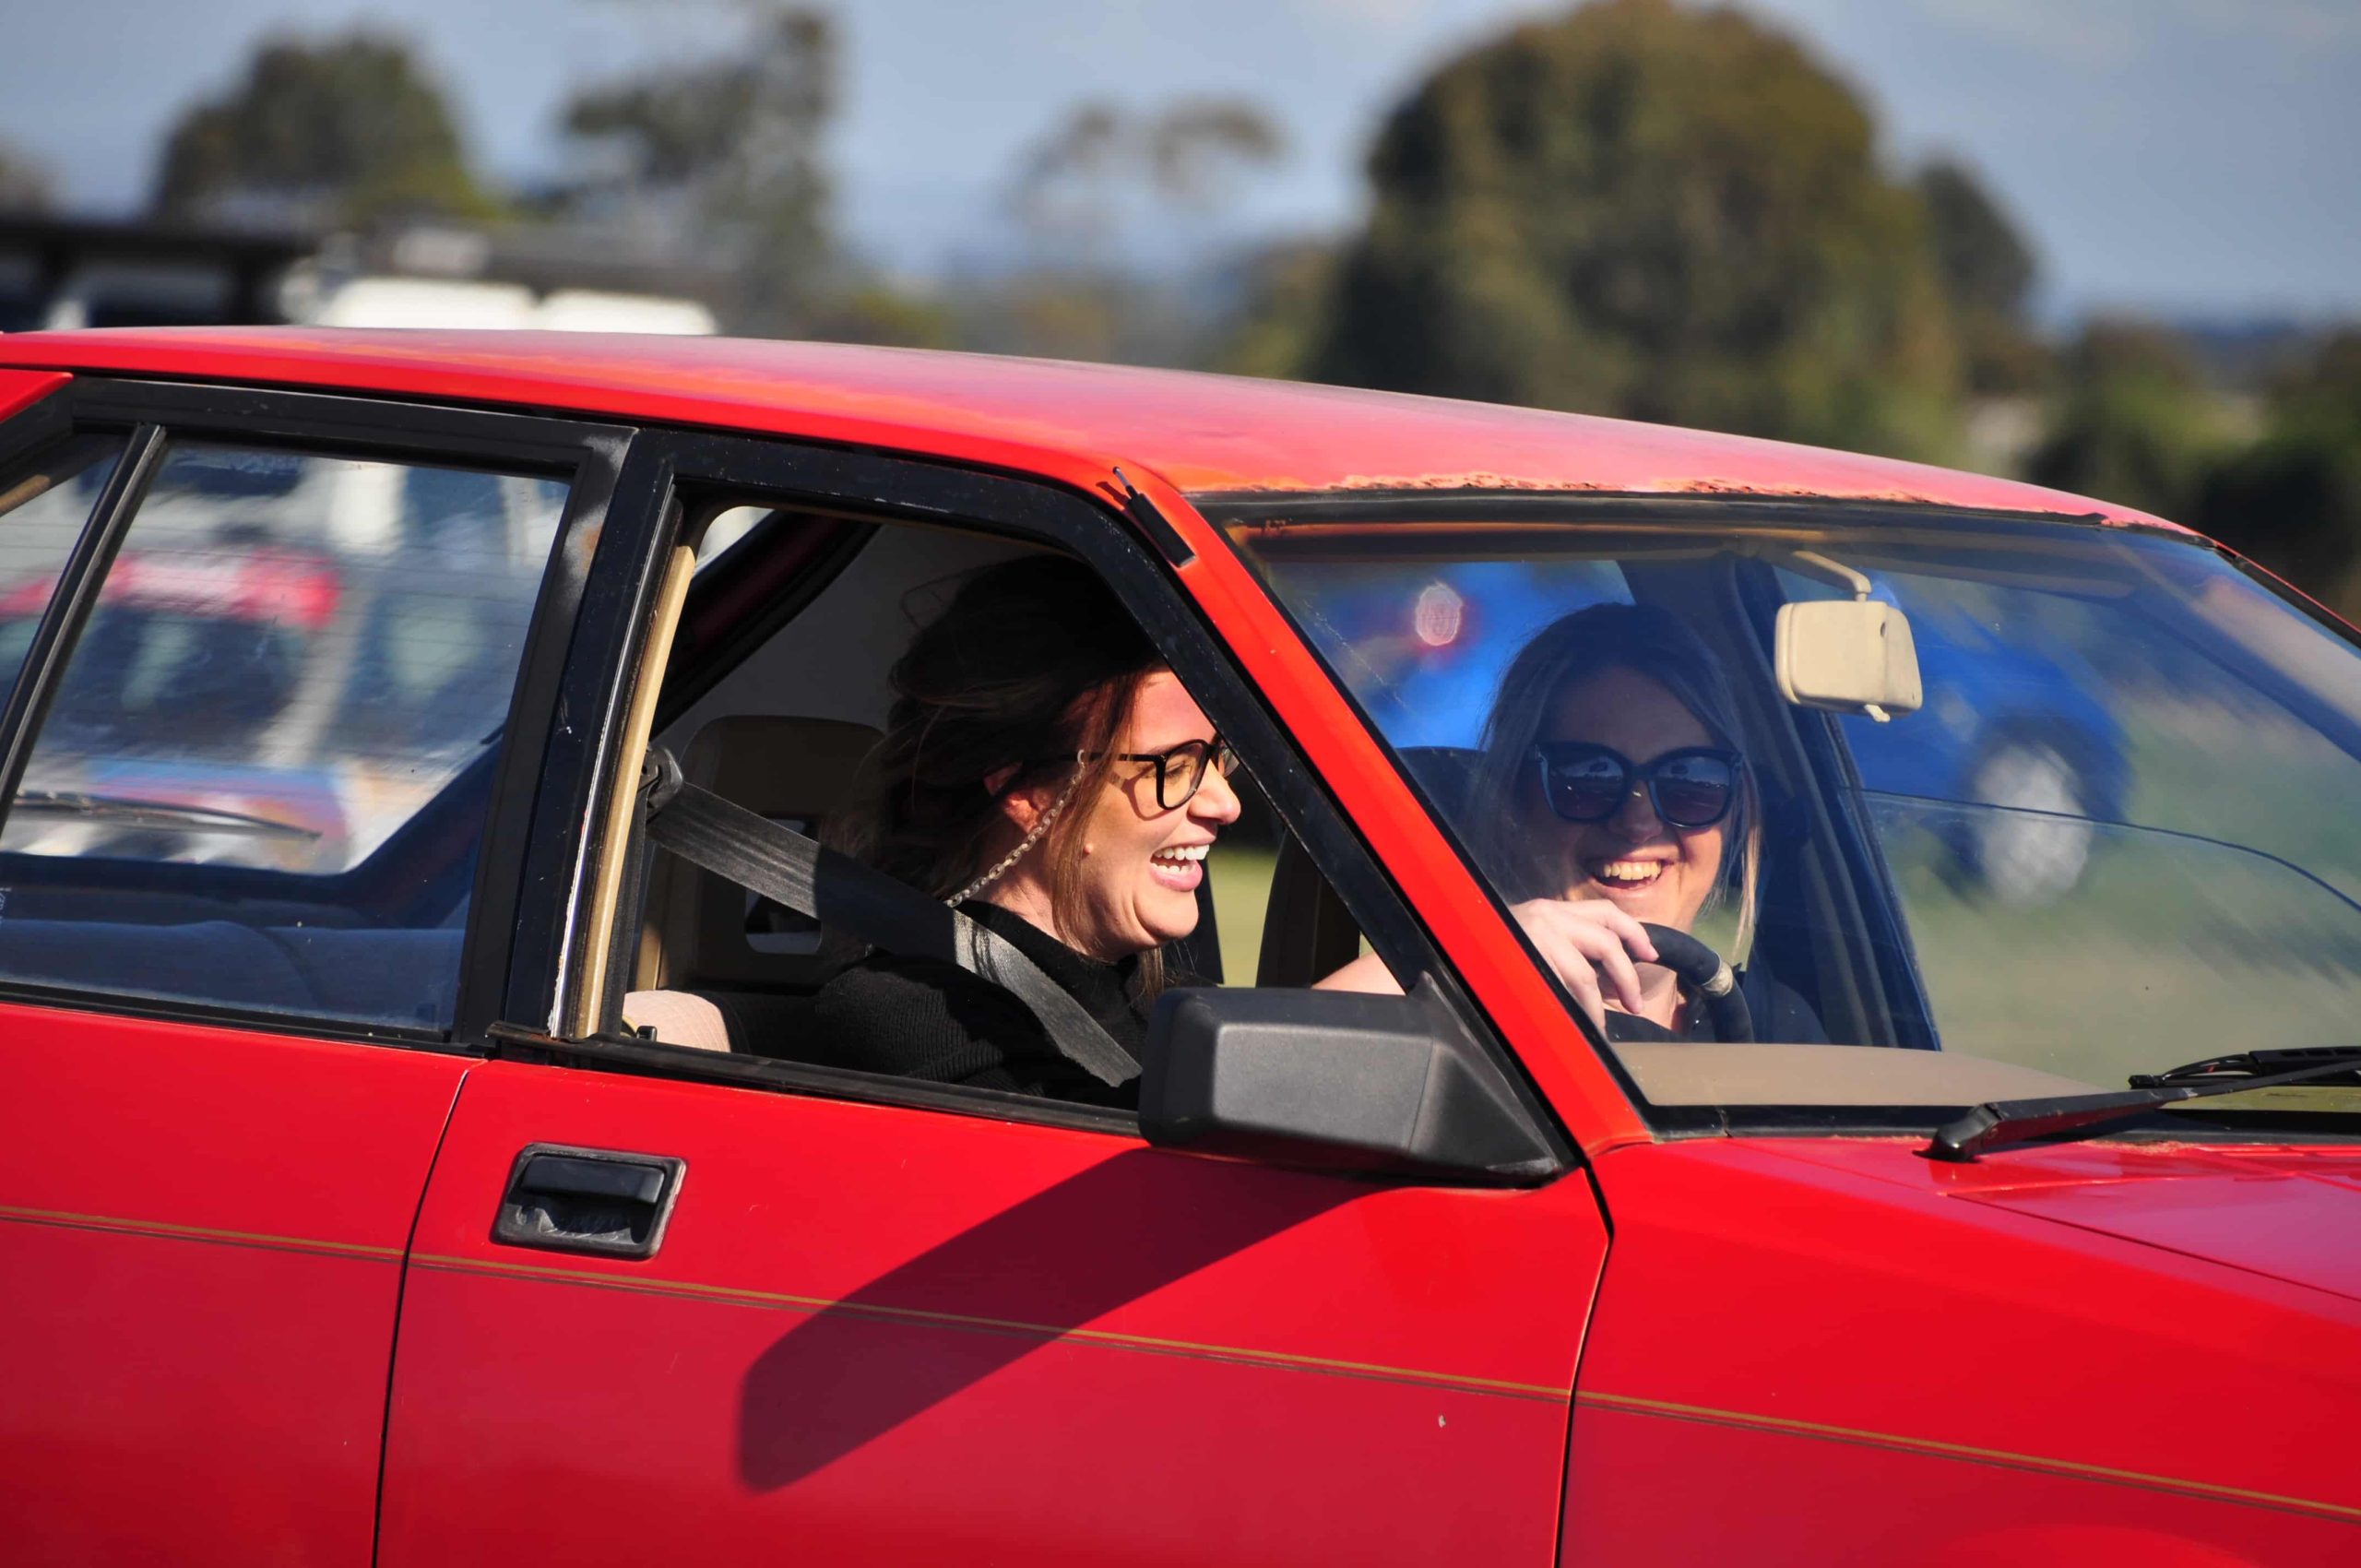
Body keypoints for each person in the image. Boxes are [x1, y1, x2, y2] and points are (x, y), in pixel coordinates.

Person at [810, 555, 1241, 1103]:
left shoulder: (1179, 1010)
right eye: (1174, 766)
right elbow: (1111, 1169)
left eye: (1219, 758)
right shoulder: (913, 1009)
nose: (1226, 804)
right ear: (1029, 792)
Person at [1323, 600, 1815, 1041]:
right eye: (1588, 777)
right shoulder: (1457, 1016)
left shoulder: (1779, 1031)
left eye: (1689, 782)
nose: (1638, 821)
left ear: (1735, 806)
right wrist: (1485, 951)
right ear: (1511, 801)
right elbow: (1274, 1066)